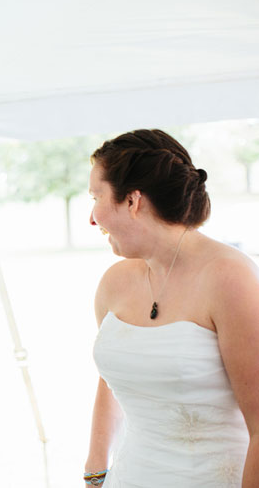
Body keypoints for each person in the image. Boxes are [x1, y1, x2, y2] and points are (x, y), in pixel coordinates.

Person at [84, 129, 259, 487]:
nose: (91, 217)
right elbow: (114, 377)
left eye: (96, 196)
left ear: (133, 201)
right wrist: (95, 470)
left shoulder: (229, 277)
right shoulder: (113, 282)